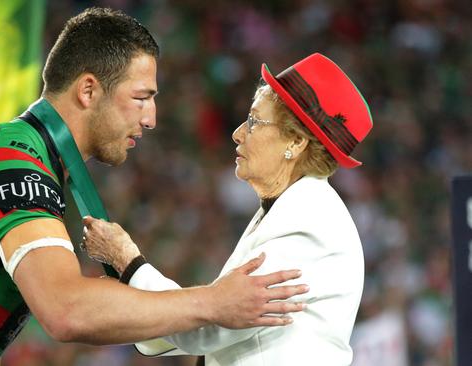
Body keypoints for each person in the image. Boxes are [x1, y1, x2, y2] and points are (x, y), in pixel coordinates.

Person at [0, 8, 310, 366]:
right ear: (88, 90)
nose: (152, 117)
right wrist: (213, 302)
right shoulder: (12, 159)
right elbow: (66, 310)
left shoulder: (33, 161)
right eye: (141, 97)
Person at [82, 52, 372, 365]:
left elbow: (211, 325)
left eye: (254, 121)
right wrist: (132, 296)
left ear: (295, 142)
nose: (238, 133)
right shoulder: (292, 209)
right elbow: (216, 321)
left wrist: (128, 262)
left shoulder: (309, 222)